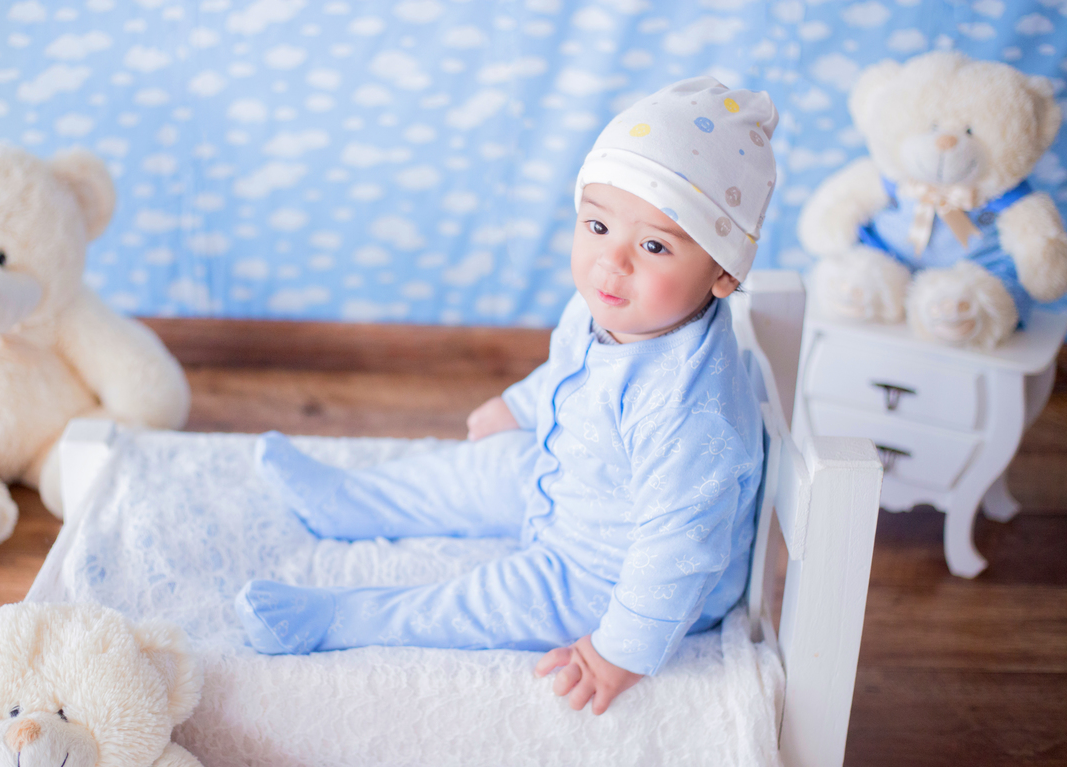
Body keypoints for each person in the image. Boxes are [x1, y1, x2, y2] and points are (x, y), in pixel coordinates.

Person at [237, 76, 778, 715]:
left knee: (483, 602)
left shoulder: (689, 413)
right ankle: (348, 501)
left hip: (602, 570)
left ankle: (335, 620)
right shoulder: (611, 308)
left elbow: (679, 550)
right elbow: (567, 372)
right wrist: (519, 408)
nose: (612, 262)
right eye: (597, 225)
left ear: (723, 272)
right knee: (482, 467)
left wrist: (618, 652)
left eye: (654, 245)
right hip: (568, 477)